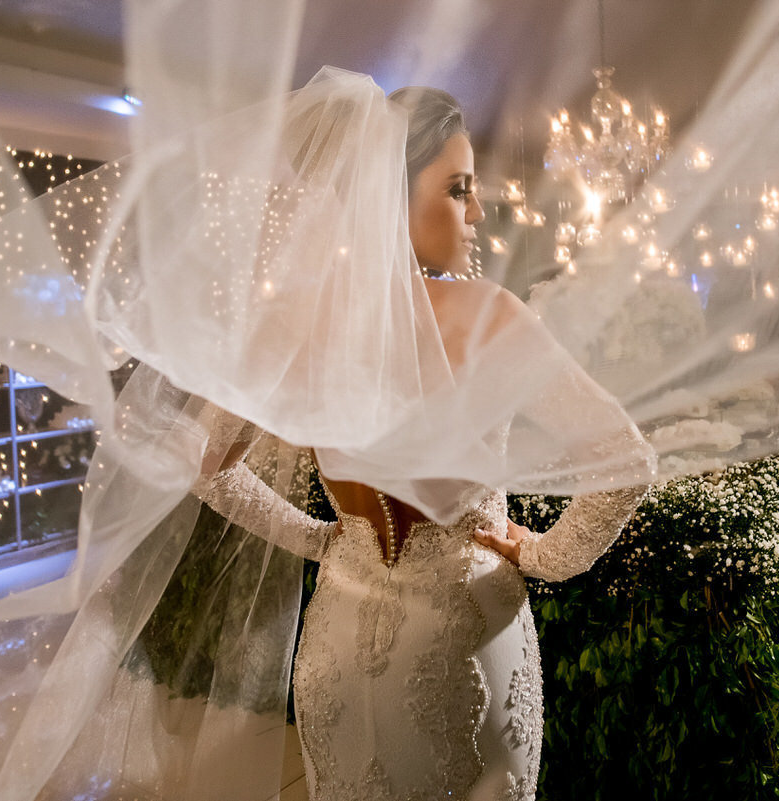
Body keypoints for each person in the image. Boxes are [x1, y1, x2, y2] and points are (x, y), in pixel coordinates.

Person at [191, 83, 654, 801]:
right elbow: (625, 461)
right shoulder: (488, 315)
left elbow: (208, 467)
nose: (477, 211)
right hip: (464, 638)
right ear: (389, 197)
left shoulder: (293, 324)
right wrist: (542, 555)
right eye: (458, 189)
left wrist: (319, 539)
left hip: (338, 637)